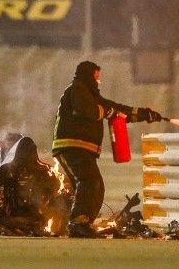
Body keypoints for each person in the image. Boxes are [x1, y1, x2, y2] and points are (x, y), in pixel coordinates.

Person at [52, 60, 164, 238]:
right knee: (89, 180)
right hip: (70, 145)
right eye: (96, 78)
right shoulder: (77, 89)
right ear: (87, 76)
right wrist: (108, 111)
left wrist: (144, 114)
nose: (98, 82)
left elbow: (117, 109)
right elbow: (87, 110)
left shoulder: (90, 94)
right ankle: (77, 223)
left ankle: (85, 223)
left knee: (97, 185)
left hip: (82, 148)